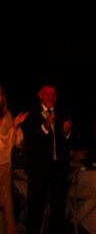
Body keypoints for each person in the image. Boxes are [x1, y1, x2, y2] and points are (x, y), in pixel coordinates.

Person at [21, 83, 72, 234]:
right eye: (48, 94)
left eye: (54, 94)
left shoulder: (61, 112)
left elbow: (65, 141)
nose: (51, 97)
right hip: (39, 169)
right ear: (40, 95)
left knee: (58, 208)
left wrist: (67, 132)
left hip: (59, 169)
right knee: (36, 207)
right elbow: (30, 139)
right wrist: (45, 126)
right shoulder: (32, 114)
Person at [0, 84, 27, 234]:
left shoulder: (7, 115)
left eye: (0, 94)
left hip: (3, 166)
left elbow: (12, 143)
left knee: (7, 207)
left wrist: (15, 126)